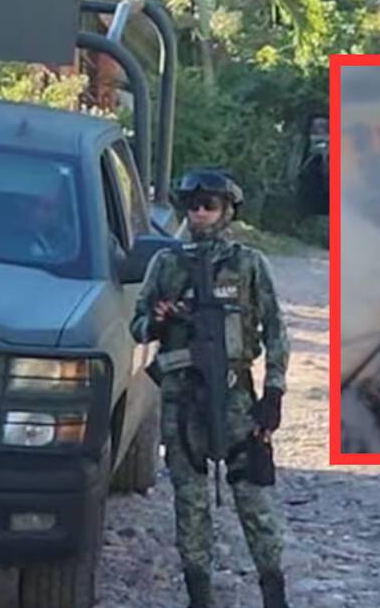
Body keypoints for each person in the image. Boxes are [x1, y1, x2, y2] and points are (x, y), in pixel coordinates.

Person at [131, 169, 291, 608]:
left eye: (210, 206)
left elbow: (276, 327)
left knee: (253, 500)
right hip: (181, 402)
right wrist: (161, 320)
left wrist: (274, 392)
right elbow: (138, 327)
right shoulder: (166, 264)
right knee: (191, 503)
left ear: (226, 212)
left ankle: (274, 595)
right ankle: (199, 596)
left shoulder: (248, 265)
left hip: (236, 396)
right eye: (194, 205)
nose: (200, 213)